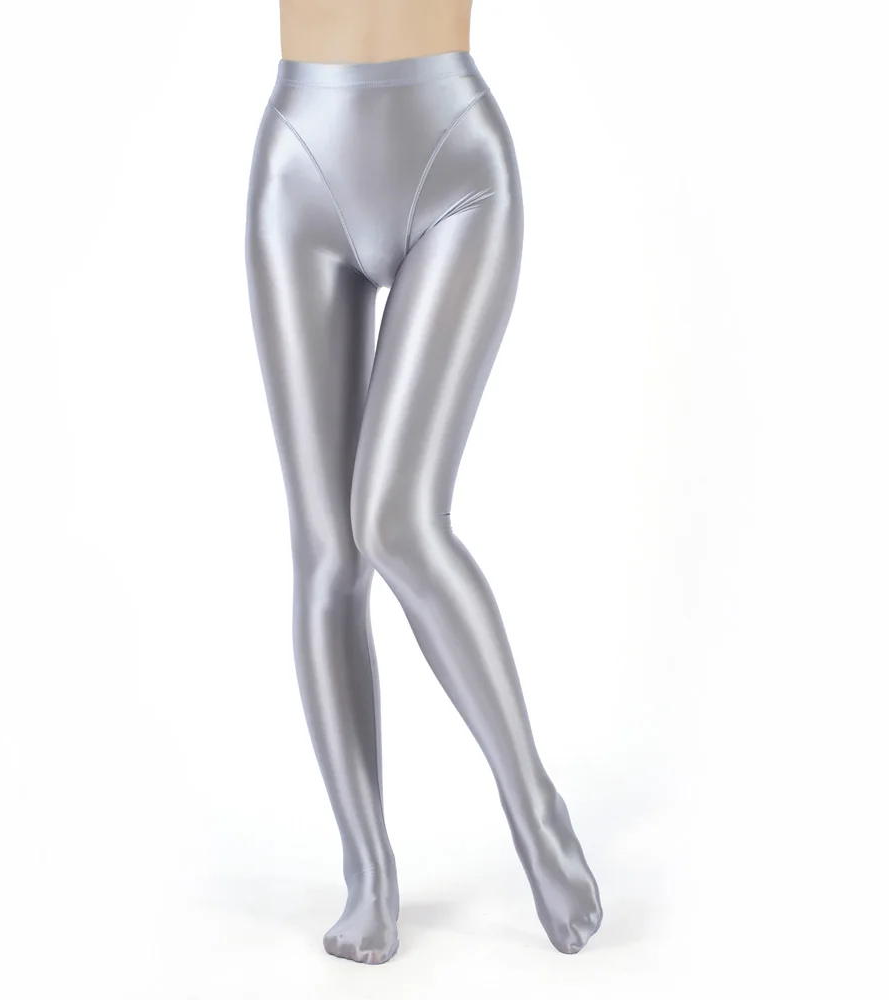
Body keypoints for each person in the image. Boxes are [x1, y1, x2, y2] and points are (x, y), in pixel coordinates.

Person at [244, 0, 603, 964]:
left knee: (394, 518)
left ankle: (534, 807)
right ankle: (368, 872)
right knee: (327, 554)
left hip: (453, 160)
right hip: (297, 162)